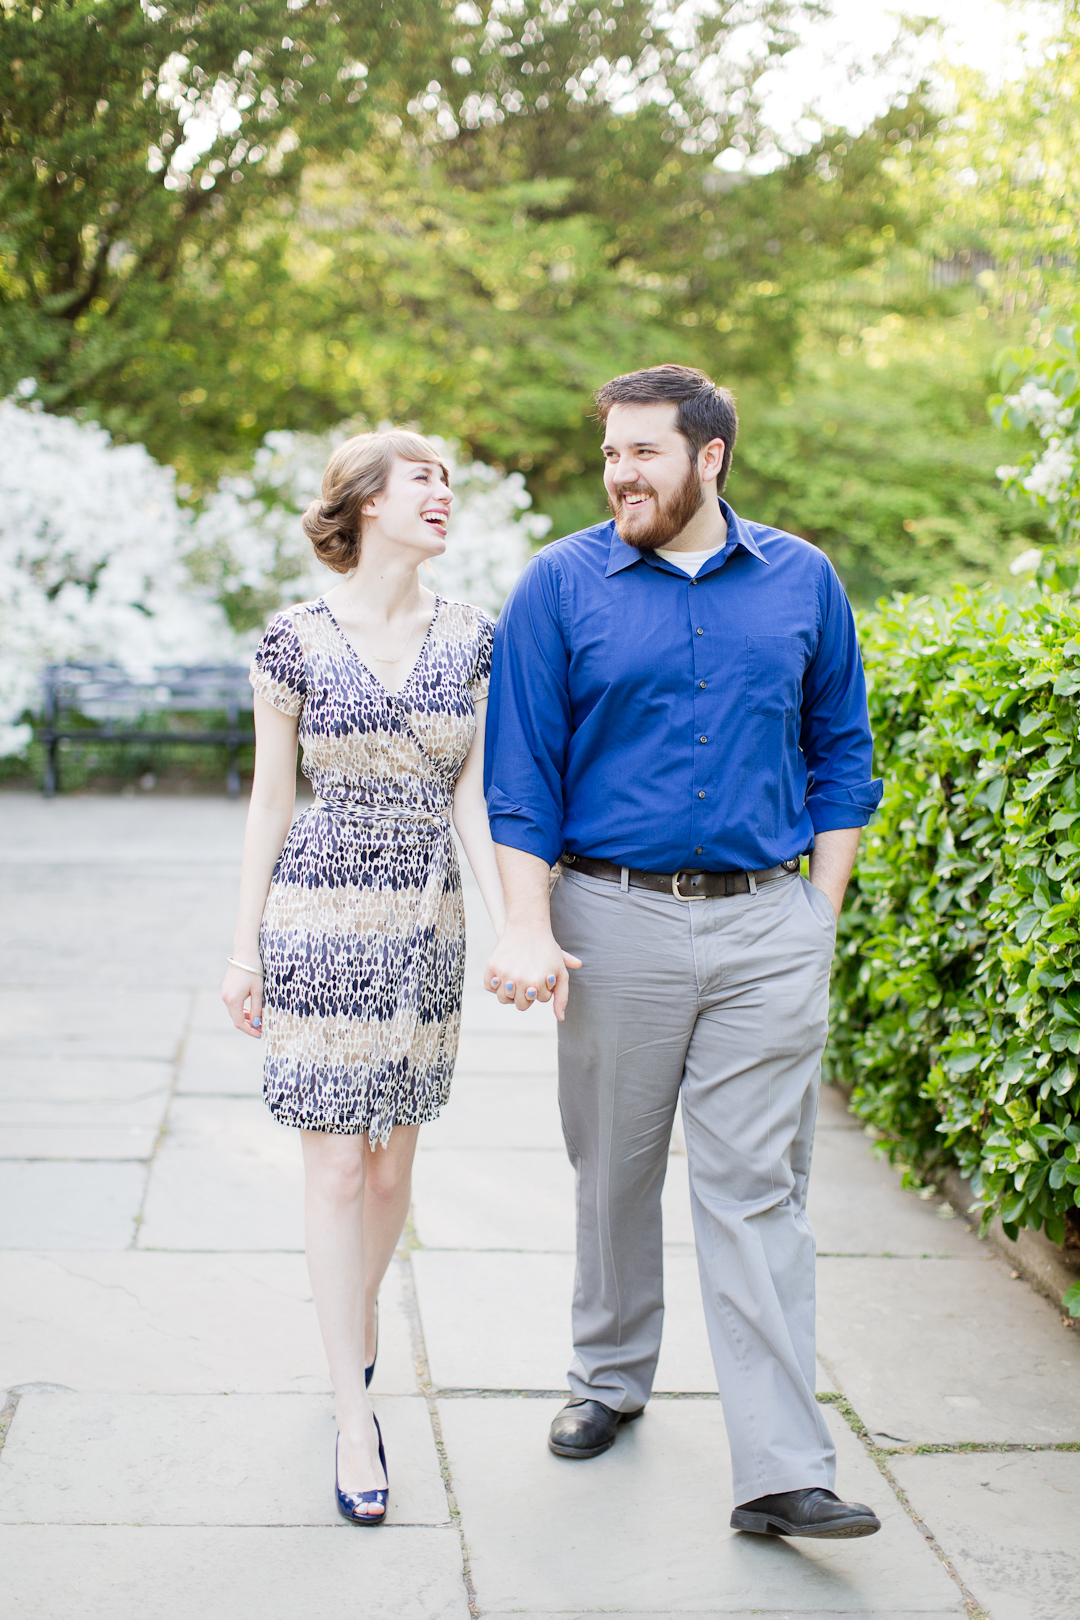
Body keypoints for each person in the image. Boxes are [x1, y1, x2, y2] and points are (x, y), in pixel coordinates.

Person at [483, 364, 884, 1540]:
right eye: (611, 454)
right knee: (613, 1166)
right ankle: (607, 1375)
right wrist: (527, 921)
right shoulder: (559, 586)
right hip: (612, 919)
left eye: (643, 453)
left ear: (709, 457)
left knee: (759, 1192)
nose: (621, 475)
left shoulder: (803, 579)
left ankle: (778, 1471)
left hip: (770, 925)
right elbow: (521, 777)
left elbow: (841, 752)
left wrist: (821, 911)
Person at [222, 429, 504, 1527]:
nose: (443, 494)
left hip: (425, 925)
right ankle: (354, 1413)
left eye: (449, 482)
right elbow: (267, 802)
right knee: (338, 1171)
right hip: (317, 919)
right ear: (365, 503)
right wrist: (243, 948)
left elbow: (475, 801)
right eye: (423, 478)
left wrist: (512, 926)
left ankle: (359, 1315)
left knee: (393, 1172)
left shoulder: (475, 638)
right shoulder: (293, 640)